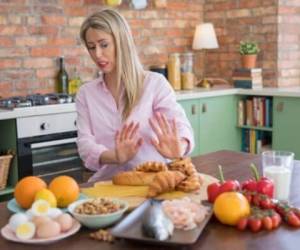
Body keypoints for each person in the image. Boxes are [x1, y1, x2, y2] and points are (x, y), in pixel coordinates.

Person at [76, 9, 194, 182]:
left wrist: (180, 148)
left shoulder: (154, 83)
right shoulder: (86, 93)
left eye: (104, 45)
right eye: (92, 47)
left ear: (121, 42)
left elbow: (181, 126)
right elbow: (85, 145)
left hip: (154, 181)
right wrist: (115, 156)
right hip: (109, 183)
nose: (97, 55)